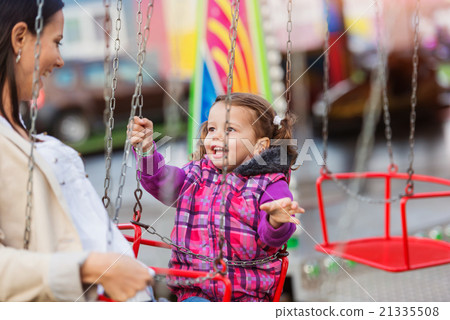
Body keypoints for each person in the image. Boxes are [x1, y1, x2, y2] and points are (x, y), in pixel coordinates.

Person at [0, 0, 153, 301]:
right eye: (56, 42)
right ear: (20, 38)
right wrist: (88, 267)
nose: (59, 60)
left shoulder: (22, 133)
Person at [129, 92, 304, 302]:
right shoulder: (196, 173)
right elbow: (161, 180)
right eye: (212, 128)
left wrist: (275, 220)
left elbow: (272, 236)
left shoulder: (269, 183)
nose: (216, 136)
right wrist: (147, 151)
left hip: (244, 296)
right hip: (194, 291)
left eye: (230, 129)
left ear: (259, 146)